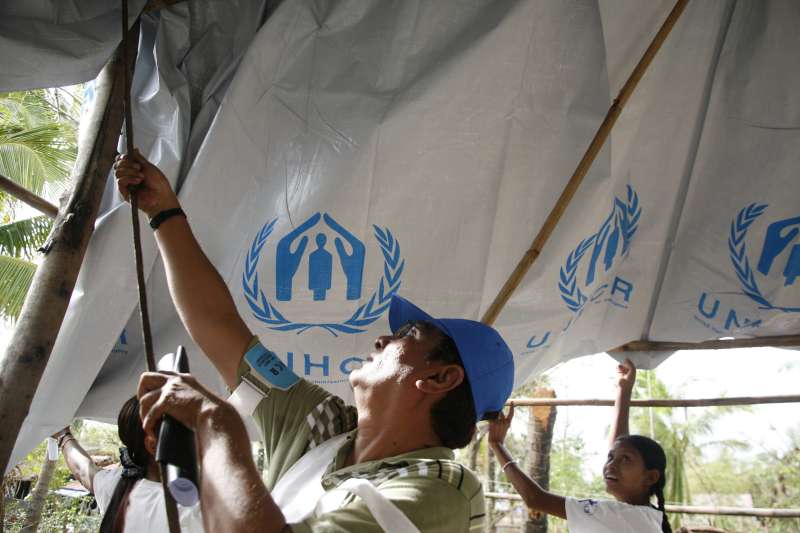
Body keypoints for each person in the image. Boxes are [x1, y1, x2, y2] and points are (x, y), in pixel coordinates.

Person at [114, 150, 516, 532]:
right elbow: (217, 324)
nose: (381, 339)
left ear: (441, 378)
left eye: (407, 335)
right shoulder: (321, 427)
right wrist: (163, 211)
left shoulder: (441, 490)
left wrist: (216, 422)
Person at [487, 358, 672, 533]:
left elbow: (536, 499)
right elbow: (621, 444)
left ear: (650, 477)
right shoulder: (646, 517)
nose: (611, 465)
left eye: (625, 460)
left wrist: (497, 445)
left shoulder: (617, 516)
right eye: (610, 457)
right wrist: (624, 390)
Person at [53, 396, 204, 532]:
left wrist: (62, 434)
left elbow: (83, 470)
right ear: (152, 445)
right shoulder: (192, 508)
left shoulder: (118, 484)